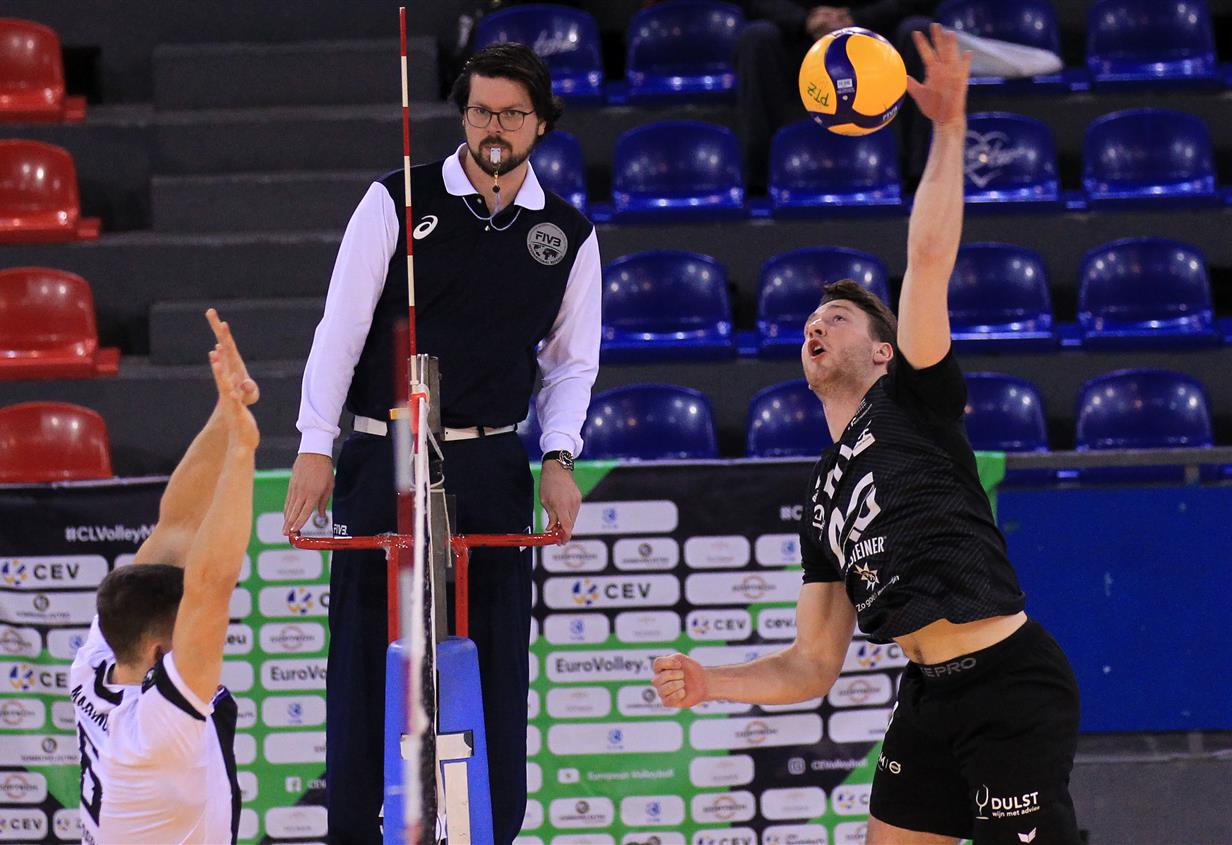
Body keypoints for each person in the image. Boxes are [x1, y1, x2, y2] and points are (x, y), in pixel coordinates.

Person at [653, 26, 1081, 845]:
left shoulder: (915, 398)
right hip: (927, 697)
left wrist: (949, 129)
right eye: (811, 321)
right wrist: (711, 680)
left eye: (837, 317)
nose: (815, 325)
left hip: (1008, 681)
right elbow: (812, 662)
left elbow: (928, 257)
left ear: (884, 350)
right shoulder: (823, 496)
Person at [281, 42, 601, 844]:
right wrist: (315, 442)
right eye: (482, 110)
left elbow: (571, 364)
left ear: (541, 124)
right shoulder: (395, 199)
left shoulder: (568, 233)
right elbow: (340, 329)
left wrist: (560, 455)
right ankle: (357, 830)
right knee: (368, 656)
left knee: (492, 658)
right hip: (383, 452)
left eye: (513, 113)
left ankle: (490, 829)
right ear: (463, 114)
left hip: (492, 460)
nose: (495, 127)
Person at [68, 310, 259, 844]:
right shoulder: (154, 730)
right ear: (158, 654)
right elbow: (210, 584)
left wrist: (228, 410)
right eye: (186, 631)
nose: (200, 637)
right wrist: (241, 452)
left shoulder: (97, 667)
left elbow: (178, 527)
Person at [736, 0, 937, 192]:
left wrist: (858, 18)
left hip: (878, 36)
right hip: (798, 37)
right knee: (756, 37)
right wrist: (804, 19)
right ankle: (758, 180)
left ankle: (921, 174)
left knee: (917, 31)